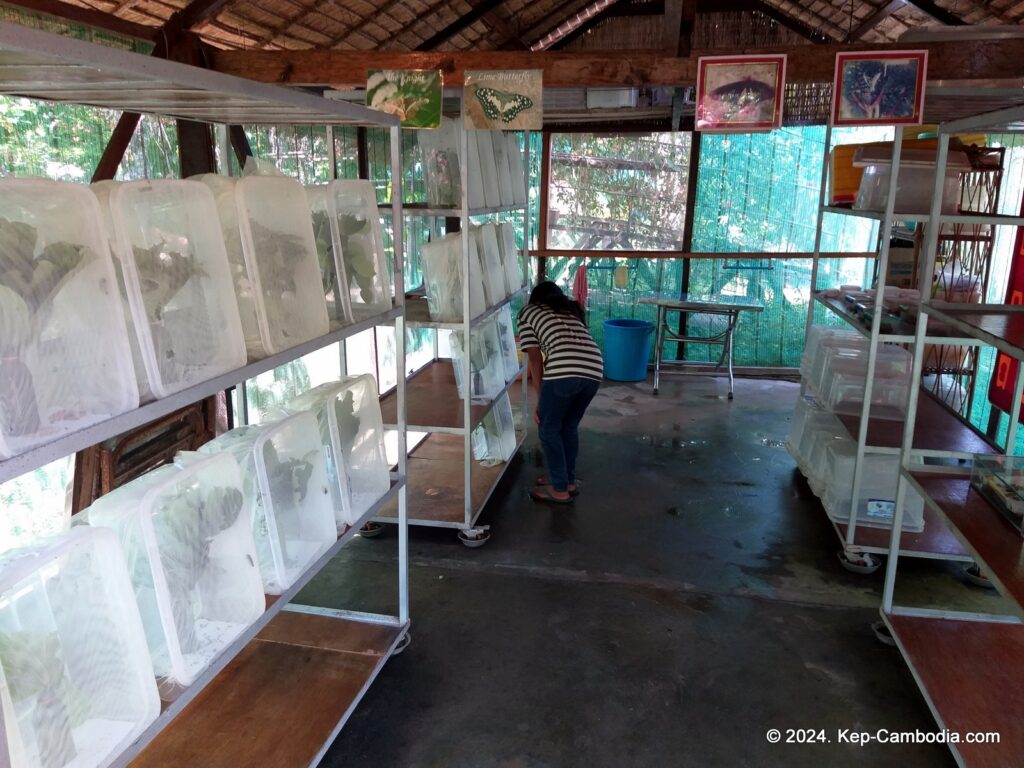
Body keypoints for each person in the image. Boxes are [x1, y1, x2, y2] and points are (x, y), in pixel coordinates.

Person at [518, 281, 603, 505]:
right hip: (594, 369)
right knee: (567, 426)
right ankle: (567, 480)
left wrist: (541, 399)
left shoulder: (528, 312)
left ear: (535, 299)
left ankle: (559, 489)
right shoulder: (569, 311)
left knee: (548, 428)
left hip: (564, 371)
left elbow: (535, 360)